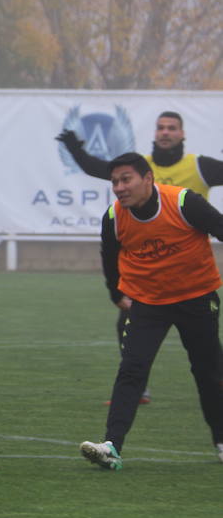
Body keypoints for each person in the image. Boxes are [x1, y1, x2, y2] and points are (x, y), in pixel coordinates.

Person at [57, 111, 223, 404]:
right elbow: (96, 167)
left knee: (206, 353)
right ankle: (138, 389)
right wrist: (75, 149)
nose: (165, 132)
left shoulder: (199, 167)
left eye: (172, 128)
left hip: (190, 272)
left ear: (182, 134)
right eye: (160, 127)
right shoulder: (137, 168)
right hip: (149, 271)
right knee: (127, 321)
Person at [79, 152, 223, 470]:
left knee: (208, 373)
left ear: (148, 179)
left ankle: (221, 440)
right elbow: (109, 257)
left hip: (196, 299)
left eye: (125, 179)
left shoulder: (184, 202)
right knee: (131, 369)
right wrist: (116, 293)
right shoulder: (115, 217)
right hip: (149, 304)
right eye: (115, 181)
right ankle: (111, 447)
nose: (118, 187)